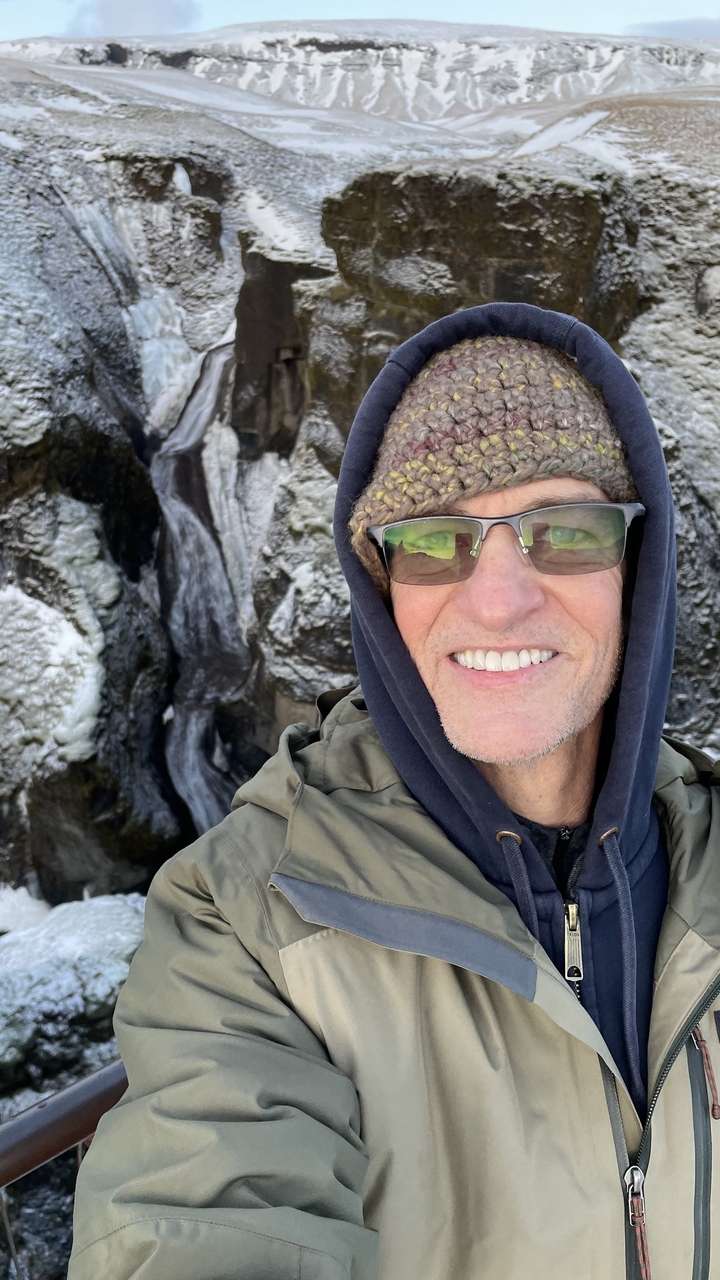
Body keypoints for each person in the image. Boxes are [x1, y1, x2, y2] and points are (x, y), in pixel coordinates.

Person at [69, 303, 720, 1280]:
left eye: (566, 529)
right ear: (382, 586)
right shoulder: (246, 920)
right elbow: (208, 1214)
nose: (499, 596)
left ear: (640, 564)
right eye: (434, 541)